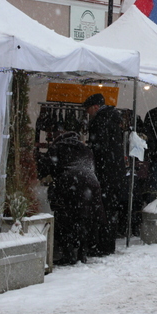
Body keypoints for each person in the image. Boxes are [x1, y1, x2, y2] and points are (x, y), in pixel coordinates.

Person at [37, 128, 105, 265]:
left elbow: (45, 168)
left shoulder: (57, 147)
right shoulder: (85, 148)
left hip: (70, 182)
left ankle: (68, 254)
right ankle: (82, 252)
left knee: (66, 218)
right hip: (92, 183)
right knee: (85, 218)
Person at [82, 93, 126, 256]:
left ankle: (102, 245)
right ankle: (108, 244)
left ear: (95, 107)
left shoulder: (100, 121)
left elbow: (100, 148)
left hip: (105, 172)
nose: (88, 114)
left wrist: (90, 152)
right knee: (111, 209)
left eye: (88, 110)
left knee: (103, 209)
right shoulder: (114, 118)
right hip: (115, 171)